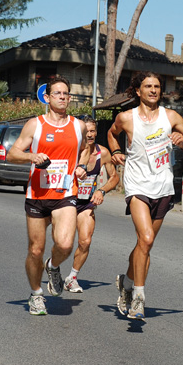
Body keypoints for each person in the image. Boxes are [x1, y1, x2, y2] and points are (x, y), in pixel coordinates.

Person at [107, 71, 183, 320]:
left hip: (163, 187)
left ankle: (126, 284)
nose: (153, 90)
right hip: (137, 186)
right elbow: (111, 133)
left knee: (144, 245)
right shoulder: (126, 118)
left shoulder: (170, 117)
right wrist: (116, 151)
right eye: (148, 86)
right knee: (147, 238)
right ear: (138, 91)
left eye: (157, 86)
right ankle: (138, 298)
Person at [7, 75, 88, 316]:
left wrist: (82, 166)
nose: (63, 97)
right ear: (48, 97)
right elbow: (13, 153)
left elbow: (86, 151)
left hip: (65, 193)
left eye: (66, 94)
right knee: (35, 250)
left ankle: (53, 267)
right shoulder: (36, 124)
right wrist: (32, 157)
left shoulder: (78, 126)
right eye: (58, 93)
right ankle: (36, 295)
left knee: (64, 244)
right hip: (38, 194)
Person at [63, 115, 120, 293]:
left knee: (85, 241)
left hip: (86, 203)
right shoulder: (70, 150)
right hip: (66, 202)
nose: (90, 134)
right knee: (63, 243)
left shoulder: (102, 153)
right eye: (86, 131)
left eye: (93, 131)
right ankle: (53, 265)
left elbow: (115, 177)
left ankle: (72, 277)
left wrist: (101, 191)